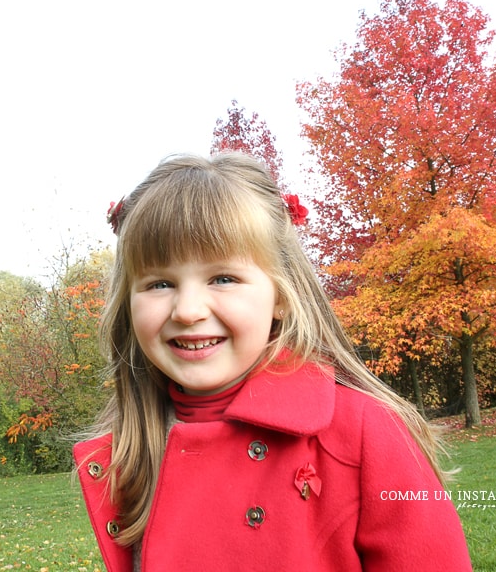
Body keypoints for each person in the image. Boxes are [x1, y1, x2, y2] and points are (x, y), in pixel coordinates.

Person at [74, 152, 472, 571]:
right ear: (128, 304)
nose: (187, 310)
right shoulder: (131, 451)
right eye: (159, 283)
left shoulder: (363, 433)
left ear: (280, 295)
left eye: (223, 278)